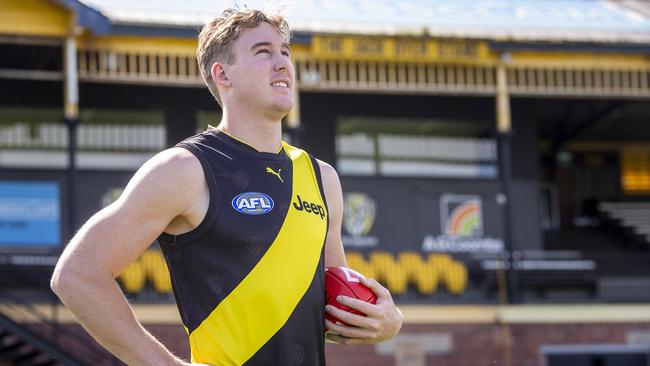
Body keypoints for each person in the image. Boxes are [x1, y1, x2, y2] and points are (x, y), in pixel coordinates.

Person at [51, 8, 402, 366]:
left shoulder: (321, 177)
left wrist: (385, 321)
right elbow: (77, 274)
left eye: (285, 52)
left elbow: (335, 308)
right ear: (223, 74)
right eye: (263, 52)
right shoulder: (185, 169)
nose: (282, 63)